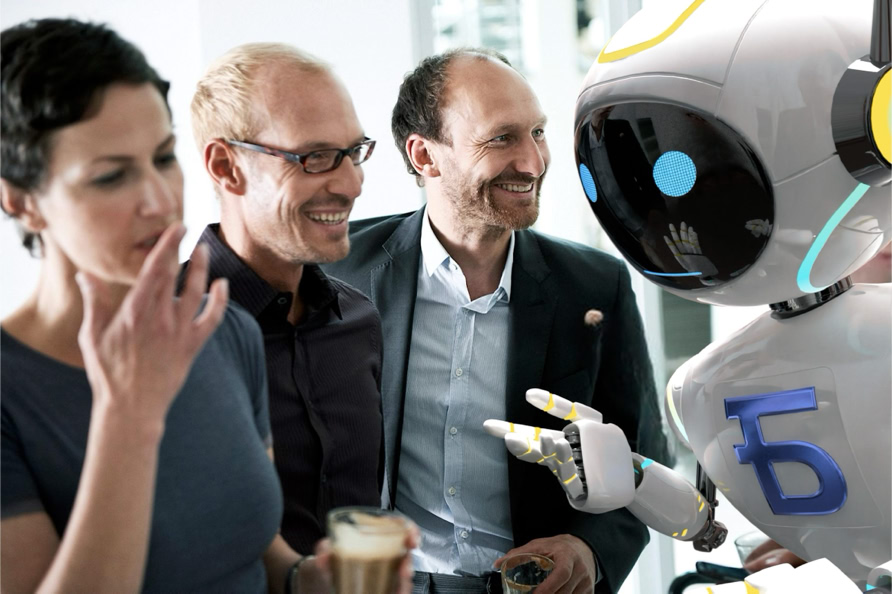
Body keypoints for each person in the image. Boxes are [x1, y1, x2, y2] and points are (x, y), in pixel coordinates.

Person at [324, 48, 671, 594]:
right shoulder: (337, 270)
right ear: (425, 156)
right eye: (502, 138)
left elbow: (645, 461)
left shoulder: (594, 285)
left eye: (537, 132)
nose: (533, 161)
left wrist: (587, 547)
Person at [0, 18, 321, 593]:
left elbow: (253, 551)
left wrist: (308, 579)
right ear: (22, 201)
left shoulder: (225, 332)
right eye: (111, 176)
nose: (159, 198)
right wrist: (128, 417)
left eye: (164, 157)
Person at [188, 43, 385, 556]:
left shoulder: (358, 319)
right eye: (315, 157)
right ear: (226, 166)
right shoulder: (161, 333)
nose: (352, 184)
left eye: (353, 152)